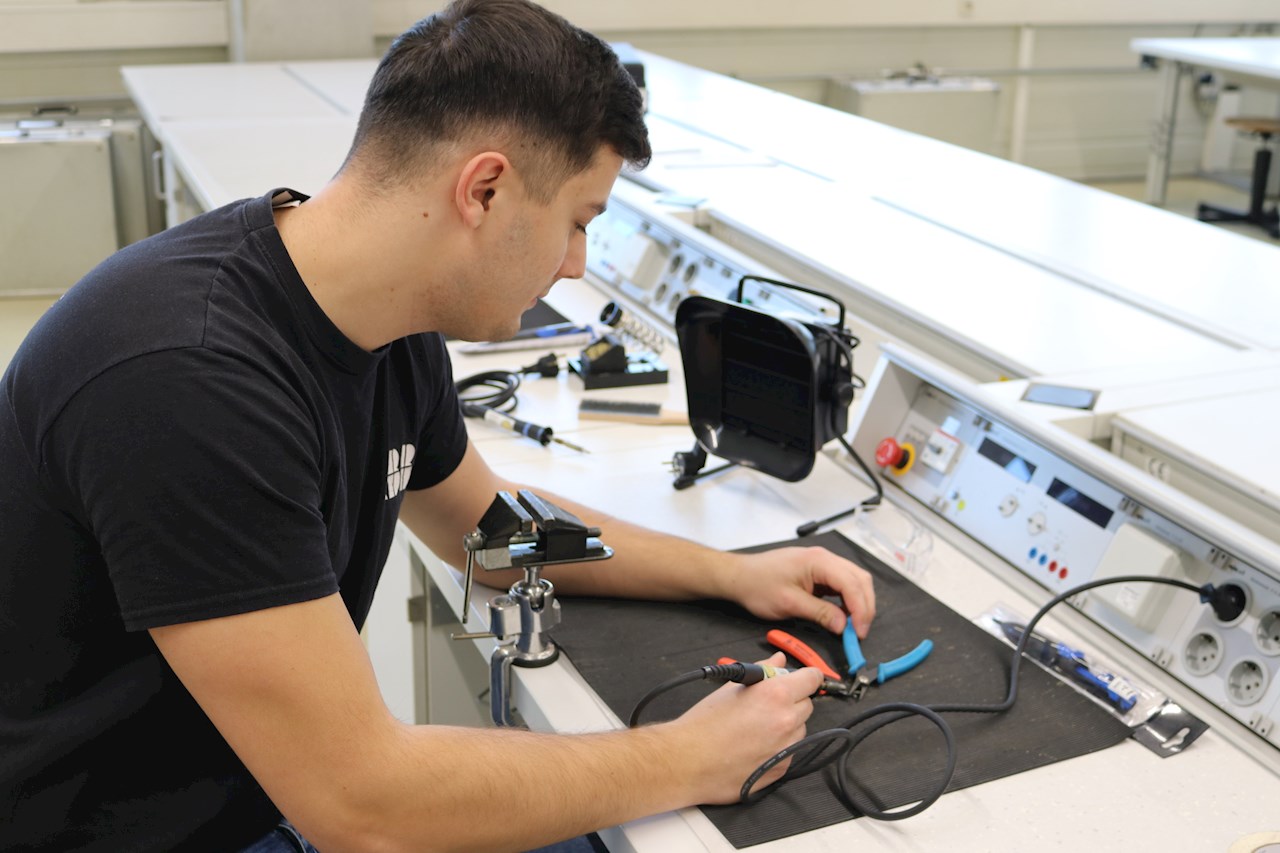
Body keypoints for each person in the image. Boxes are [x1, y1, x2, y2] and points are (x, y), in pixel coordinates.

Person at [0, 0, 876, 850]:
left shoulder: (384, 323)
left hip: (261, 791)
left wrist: (730, 574)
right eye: (578, 222)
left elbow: (491, 535)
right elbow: (364, 807)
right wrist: (688, 757)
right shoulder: (187, 380)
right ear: (484, 189)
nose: (577, 265)